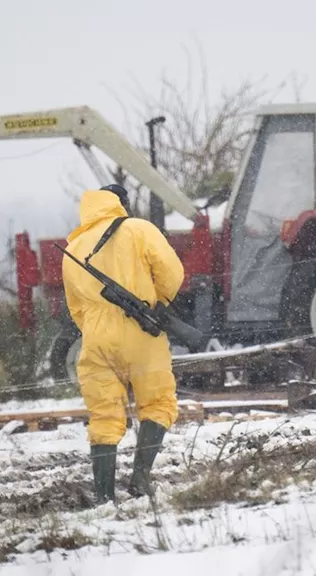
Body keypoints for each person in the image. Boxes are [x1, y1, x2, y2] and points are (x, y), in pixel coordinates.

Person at [62, 184, 185, 502]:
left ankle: (103, 495)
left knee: (104, 416)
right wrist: (158, 303)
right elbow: (172, 273)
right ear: (121, 204)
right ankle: (140, 480)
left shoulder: (73, 247)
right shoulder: (139, 229)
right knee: (158, 403)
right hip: (141, 332)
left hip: (95, 340)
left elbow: (75, 307)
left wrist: (97, 328)